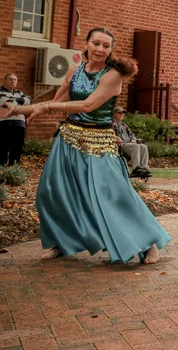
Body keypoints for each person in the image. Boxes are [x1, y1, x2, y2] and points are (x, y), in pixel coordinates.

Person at [0, 28, 169, 263]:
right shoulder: (74, 70)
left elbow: (88, 105)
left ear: (111, 50)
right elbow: (55, 101)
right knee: (52, 192)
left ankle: (148, 241)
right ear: (87, 45)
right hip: (68, 139)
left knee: (112, 195)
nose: (100, 49)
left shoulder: (112, 76)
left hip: (98, 143)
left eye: (106, 45)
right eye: (96, 43)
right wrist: (17, 110)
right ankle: (63, 241)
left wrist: (46, 108)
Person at [112, 107, 151, 179]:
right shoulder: (111, 125)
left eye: (122, 113)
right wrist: (115, 138)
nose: (121, 115)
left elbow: (131, 135)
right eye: (119, 113)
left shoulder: (124, 125)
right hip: (121, 145)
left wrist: (134, 139)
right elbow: (109, 136)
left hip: (129, 144)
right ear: (114, 114)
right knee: (135, 146)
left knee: (143, 147)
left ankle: (144, 168)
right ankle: (136, 168)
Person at [0, 74, 30, 166]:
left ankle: (13, 170)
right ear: (5, 81)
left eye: (15, 79)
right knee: (2, 148)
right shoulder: (0, 91)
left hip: (19, 124)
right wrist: (19, 103)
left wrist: (14, 102)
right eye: (10, 79)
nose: (13, 81)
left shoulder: (19, 92)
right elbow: (5, 101)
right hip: (5, 123)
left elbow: (28, 100)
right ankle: (2, 170)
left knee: (17, 149)